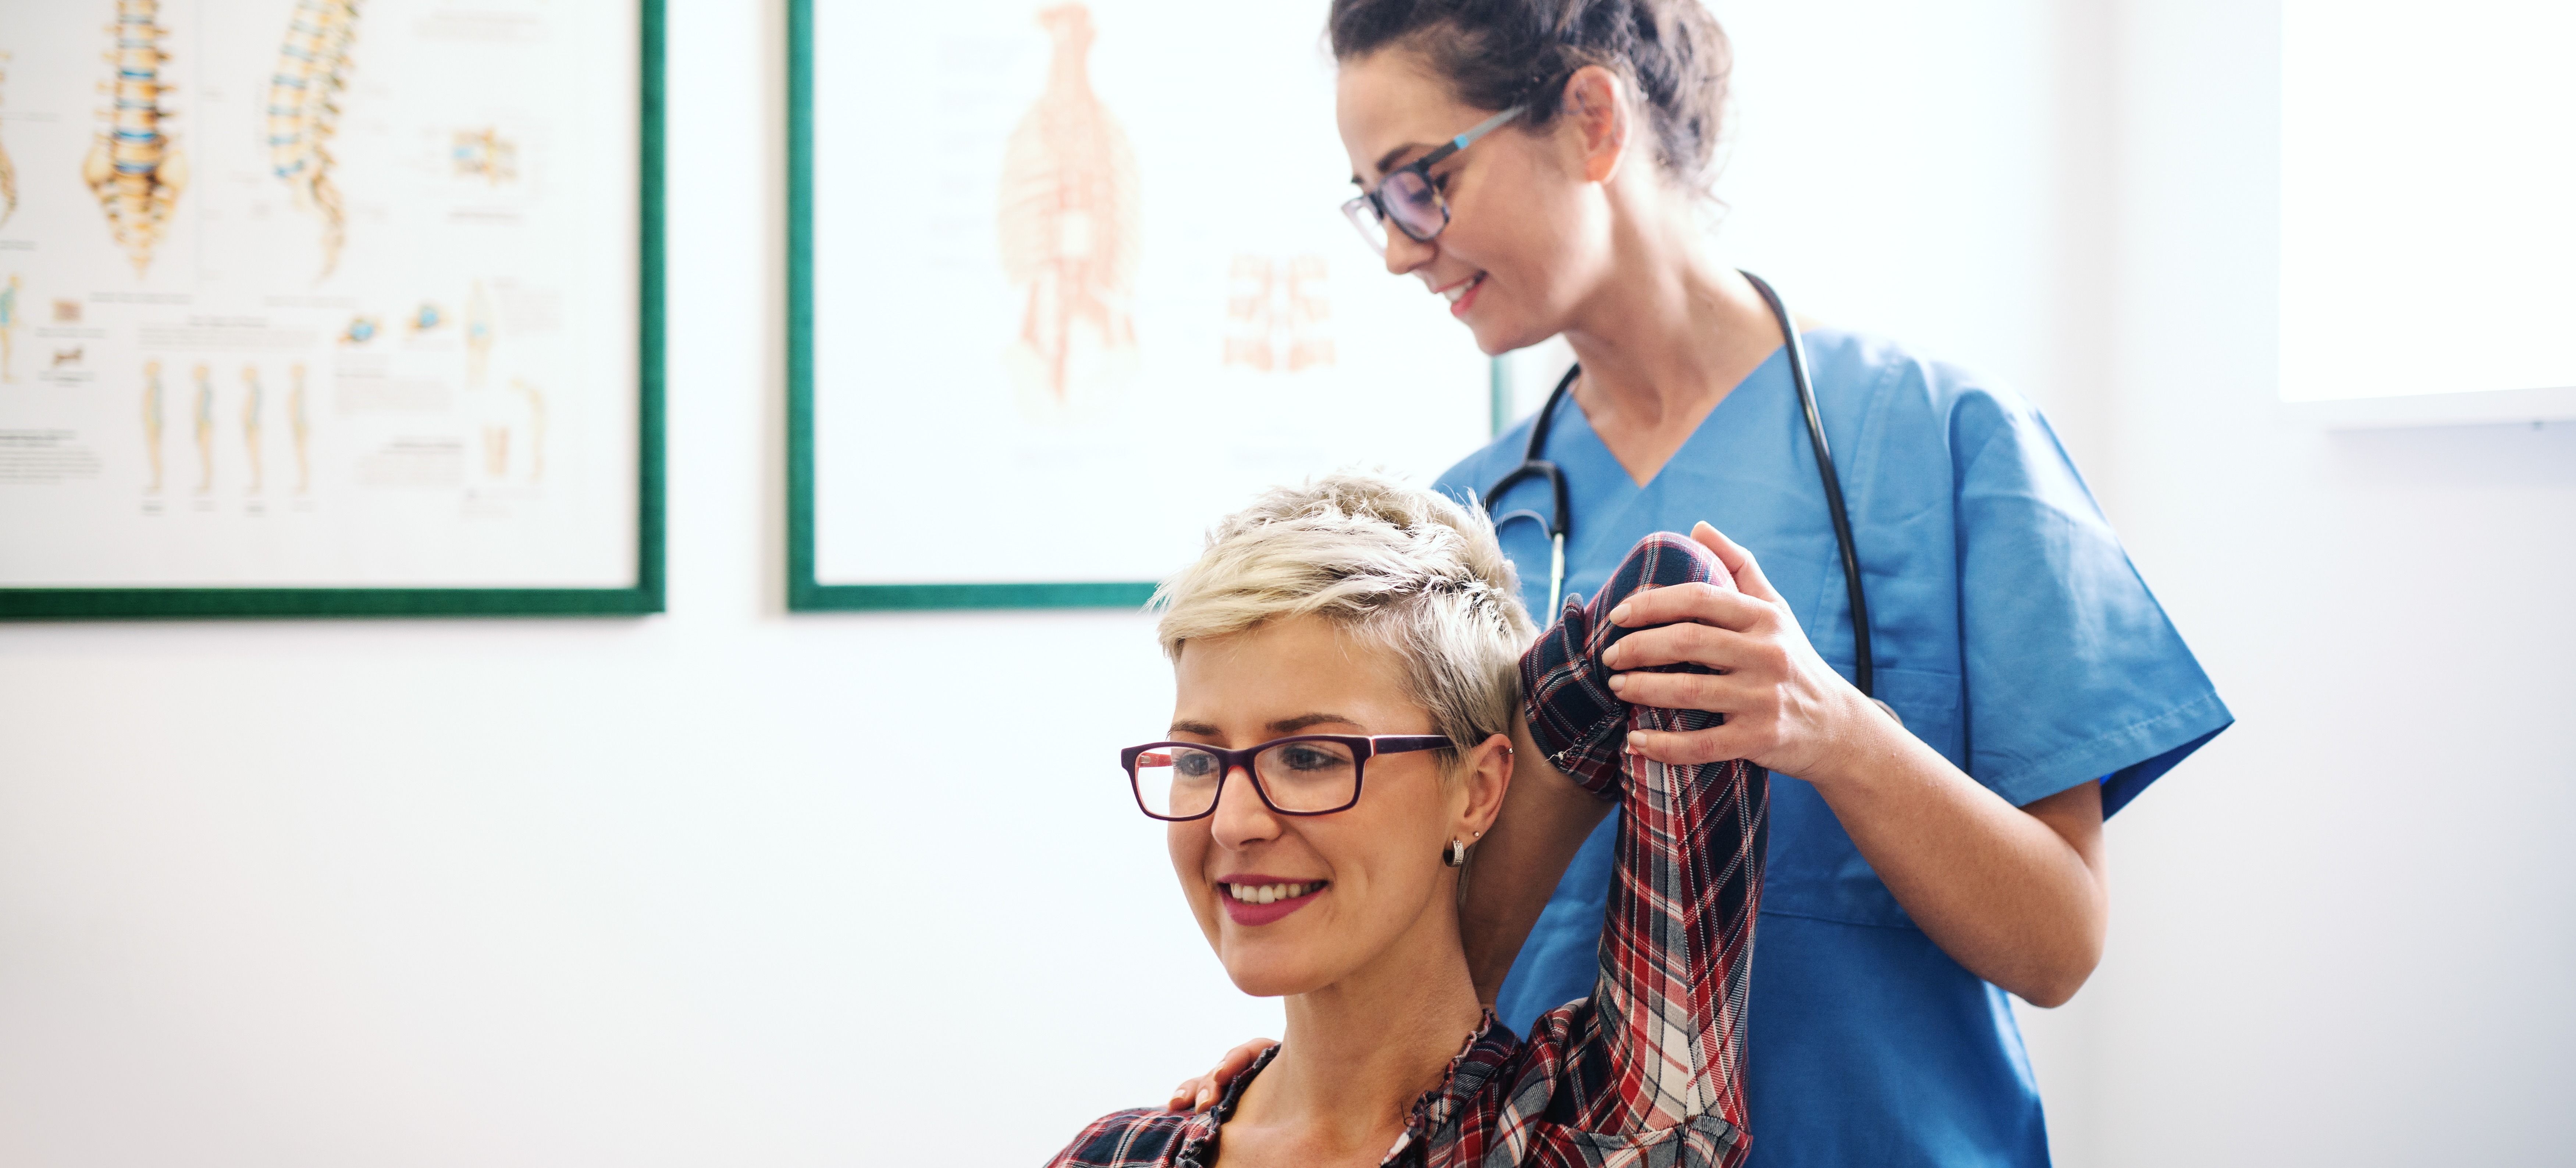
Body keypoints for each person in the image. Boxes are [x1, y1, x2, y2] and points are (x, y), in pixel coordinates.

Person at [1168, 2, 2232, 1164]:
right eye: (1376, 201)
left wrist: (1836, 733)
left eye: (1421, 182)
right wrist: (1300, 1082)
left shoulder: (1941, 438)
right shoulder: (1467, 524)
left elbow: (2058, 947)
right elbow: (1427, 938)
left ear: (1588, 121)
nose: (1399, 246)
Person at [1052, 473, 1766, 1167]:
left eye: (1307, 756)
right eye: (1199, 759)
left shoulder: (1600, 1133)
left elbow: (1672, 592)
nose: (1232, 823)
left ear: (1479, 791)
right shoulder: (1111, 1155)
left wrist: (1467, 962)